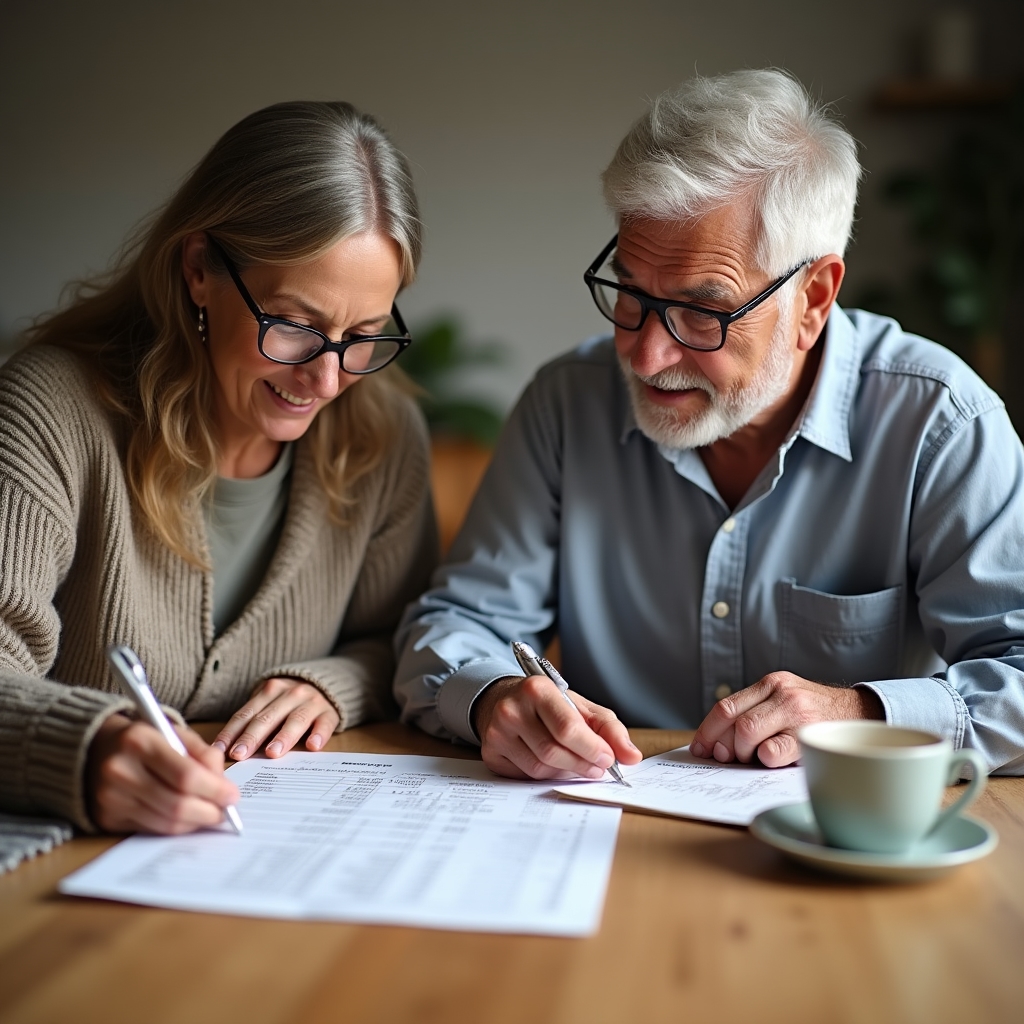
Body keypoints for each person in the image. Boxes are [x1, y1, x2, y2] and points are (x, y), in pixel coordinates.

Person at [394, 69, 1024, 783]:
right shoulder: (565, 406)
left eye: (703, 310)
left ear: (813, 299)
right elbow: (452, 627)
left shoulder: (941, 423)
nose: (645, 352)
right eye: (630, 292)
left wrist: (862, 713)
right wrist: (496, 701)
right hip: (602, 831)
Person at [0, 101, 436, 834]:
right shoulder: (52, 412)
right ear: (200, 268)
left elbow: (403, 638)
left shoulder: (383, 436)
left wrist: (331, 685)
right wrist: (85, 745)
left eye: (362, 336)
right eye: (294, 325)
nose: (326, 381)